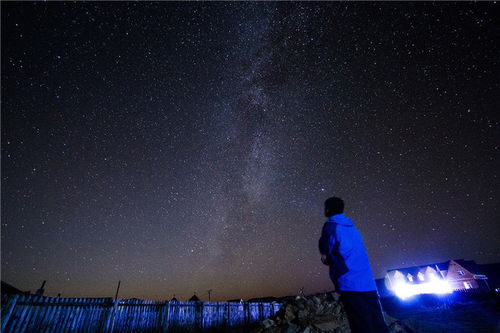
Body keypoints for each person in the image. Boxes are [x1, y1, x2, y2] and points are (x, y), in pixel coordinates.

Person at [318, 197, 389, 333]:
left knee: (361, 326)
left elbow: (328, 252)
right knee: (378, 324)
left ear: (327, 209)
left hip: (350, 283)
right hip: (368, 283)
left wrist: (326, 258)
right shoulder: (352, 227)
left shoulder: (331, 227)